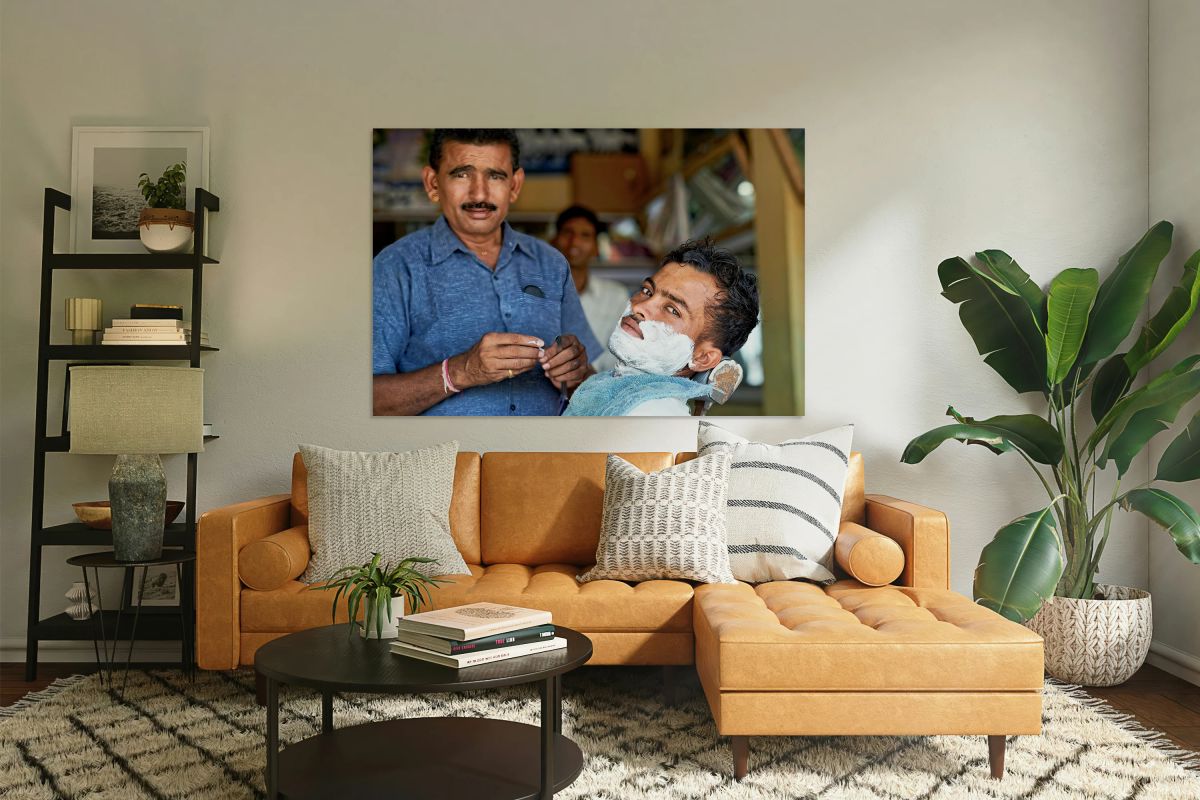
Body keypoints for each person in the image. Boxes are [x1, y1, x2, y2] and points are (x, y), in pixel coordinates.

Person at [373, 130, 602, 415]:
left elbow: (590, 383)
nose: (479, 194)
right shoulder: (396, 267)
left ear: (514, 185)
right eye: (461, 174)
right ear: (433, 183)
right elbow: (366, 400)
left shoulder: (551, 263)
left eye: (495, 176)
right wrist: (460, 371)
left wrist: (577, 374)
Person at [564, 239, 759, 416]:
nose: (640, 307)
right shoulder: (617, 393)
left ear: (702, 357)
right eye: (647, 291)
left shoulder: (654, 415)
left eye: (672, 310)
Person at [550, 205, 629, 372]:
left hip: (597, 385)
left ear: (595, 247)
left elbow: (619, 357)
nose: (575, 242)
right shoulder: (532, 293)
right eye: (568, 233)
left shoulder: (615, 297)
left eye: (585, 235)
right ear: (553, 241)